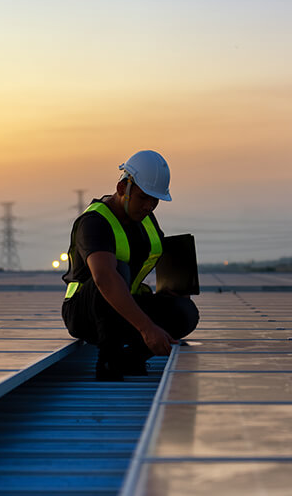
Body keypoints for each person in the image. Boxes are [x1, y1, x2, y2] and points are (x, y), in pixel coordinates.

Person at [61, 150, 199, 380]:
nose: (149, 206)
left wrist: (173, 293)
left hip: (123, 308)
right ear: (122, 189)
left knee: (185, 313)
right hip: (86, 313)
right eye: (143, 197)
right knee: (116, 270)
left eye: (155, 200)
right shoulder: (95, 222)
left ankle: (131, 360)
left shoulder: (146, 220)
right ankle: (109, 360)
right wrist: (147, 328)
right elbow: (104, 277)